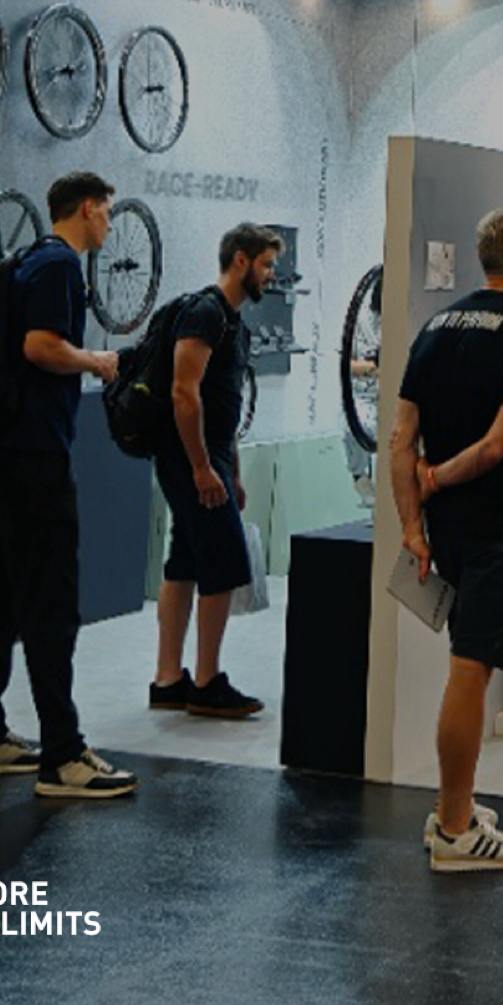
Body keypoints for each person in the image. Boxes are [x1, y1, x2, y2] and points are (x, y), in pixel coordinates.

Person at [0, 171, 136, 799]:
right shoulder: (60, 265)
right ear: (86, 209)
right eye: (106, 212)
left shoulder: (31, 259)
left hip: (6, 454)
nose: (109, 223)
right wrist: (96, 361)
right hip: (34, 459)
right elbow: (40, 347)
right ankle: (63, 755)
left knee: (1, 597)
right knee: (52, 604)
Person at [390, 208, 503, 873]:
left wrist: (412, 525)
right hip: (497, 529)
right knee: (471, 671)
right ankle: (456, 830)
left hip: (449, 532)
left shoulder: (435, 327)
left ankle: (453, 806)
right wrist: (436, 480)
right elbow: (492, 448)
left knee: (468, 665)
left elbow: (400, 438)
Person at [149, 223, 282, 720]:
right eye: (266, 265)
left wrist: (234, 471)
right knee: (223, 560)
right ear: (240, 260)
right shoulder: (205, 314)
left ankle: (168, 680)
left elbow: (226, 406)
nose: (271, 275)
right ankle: (206, 682)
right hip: (191, 458)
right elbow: (184, 393)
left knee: (185, 559)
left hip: (213, 459)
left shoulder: (233, 322)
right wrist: (203, 467)